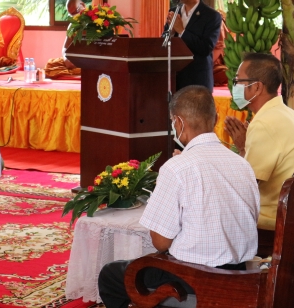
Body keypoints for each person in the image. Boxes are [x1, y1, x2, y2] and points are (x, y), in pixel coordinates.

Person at [97, 85, 260, 308]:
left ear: (179, 122)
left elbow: (161, 242)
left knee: (111, 275)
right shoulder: (243, 165)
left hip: (192, 277)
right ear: (215, 118)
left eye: (173, 122)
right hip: (239, 274)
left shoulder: (177, 168)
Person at [224, 53, 294, 230]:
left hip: (273, 218)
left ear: (257, 87)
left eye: (238, 81)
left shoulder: (264, 124)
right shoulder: (286, 113)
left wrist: (241, 149)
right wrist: (244, 147)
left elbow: (245, 186)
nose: (235, 87)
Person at [161, 0, 222, 91]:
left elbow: (205, 48)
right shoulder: (174, 11)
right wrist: (171, 33)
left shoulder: (211, 16)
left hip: (198, 79)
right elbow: (163, 43)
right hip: (174, 76)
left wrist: (182, 31)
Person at [44, 0, 84, 78]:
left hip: (88, 60)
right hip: (74, 60)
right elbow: (65, 47)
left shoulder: (95, 21)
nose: (74, 16)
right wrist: (66, 59)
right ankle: (74, 71)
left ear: (83, 5)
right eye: (71, 14)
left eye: (75, 12)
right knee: (50, 64)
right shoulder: (72, 25)